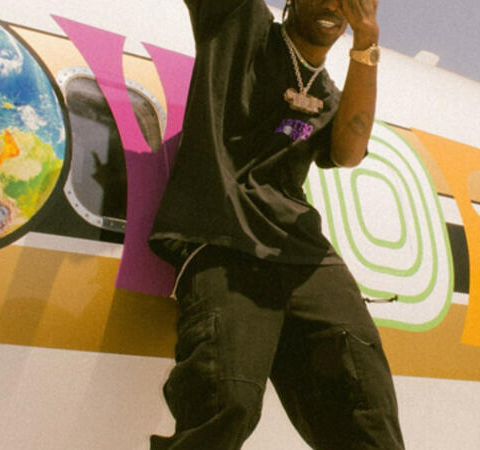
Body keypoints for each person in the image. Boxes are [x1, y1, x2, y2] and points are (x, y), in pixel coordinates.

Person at [147, 0, 404, 448]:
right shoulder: (239, 25)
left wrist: (367, 40)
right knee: (228, 402)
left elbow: (348, 153)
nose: (333, 4)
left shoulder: (329, 94)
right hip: (225, 241)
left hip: (303, 255)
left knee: (368, 411)